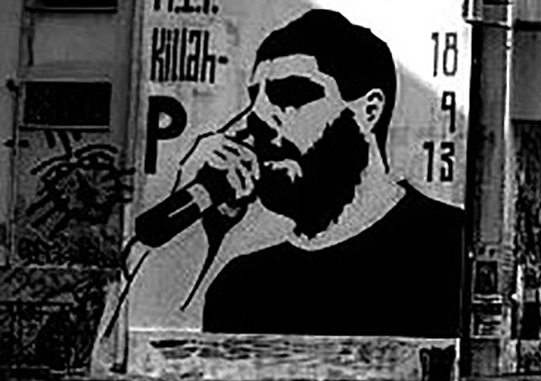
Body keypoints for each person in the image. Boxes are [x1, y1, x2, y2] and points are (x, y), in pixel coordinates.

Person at [169, 10, 463, 337]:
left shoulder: (453, 249)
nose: (257, 119)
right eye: (255, 99)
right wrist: (194, 209)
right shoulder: (242, 288)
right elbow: (156, 354)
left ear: (369, 111)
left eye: (290, 95)